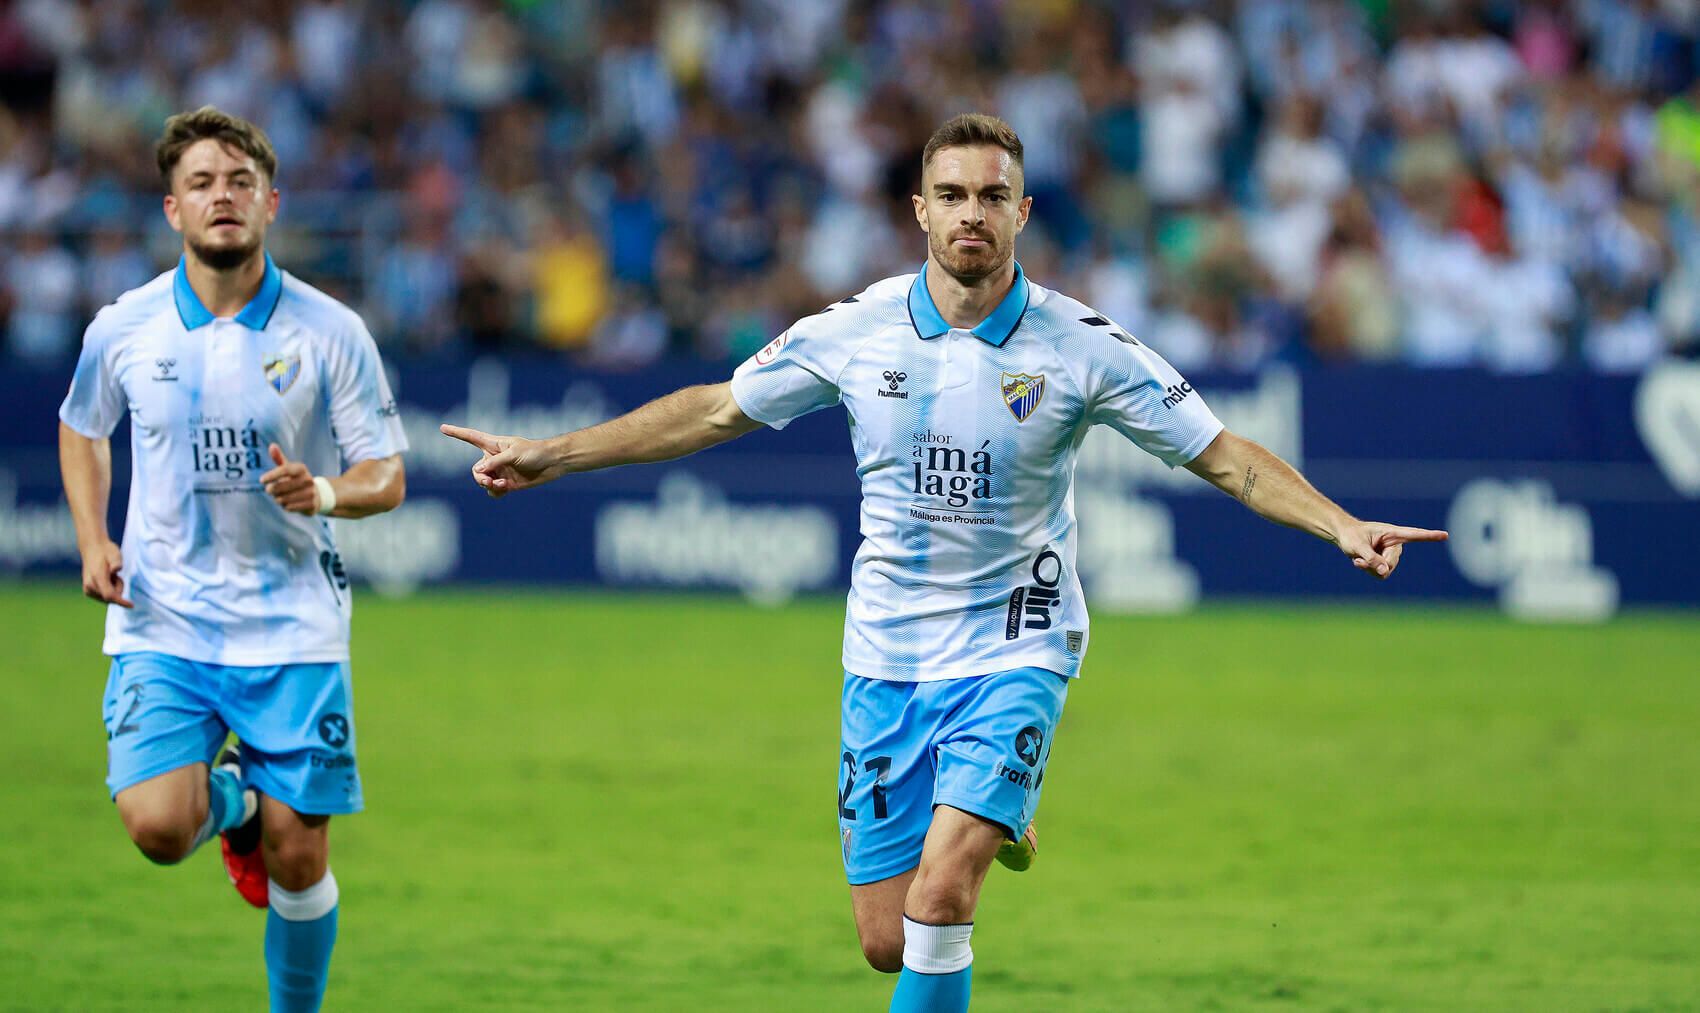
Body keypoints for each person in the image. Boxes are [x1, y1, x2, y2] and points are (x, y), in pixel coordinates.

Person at [441, 113, 1446, 1012]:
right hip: (886, 653)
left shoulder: (1080, 344)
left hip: (1019, 640)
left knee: (939, 896)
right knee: (887, 940)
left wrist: (1339, 524)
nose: (973, 214)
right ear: (919, 208)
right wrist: (552, 453)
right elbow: (710, 408)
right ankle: (1004, 812)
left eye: (993, 197)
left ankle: (985, 806)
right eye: (954, 196)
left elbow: (1223, 454)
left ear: (1023, 212)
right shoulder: (855, 331)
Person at [58, 106, 407, 1013]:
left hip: (292, 624)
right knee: (159, 827)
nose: (224, 196)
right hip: (163, 618)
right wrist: (93, 535)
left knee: (302, 853)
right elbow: (81, 426)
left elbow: (386, 472)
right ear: (171, 209)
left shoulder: (331, 330)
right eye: (203, 183)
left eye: (241, 182)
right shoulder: (125, 326)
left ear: (272, 203)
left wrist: (326, 492)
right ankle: (236, 809)